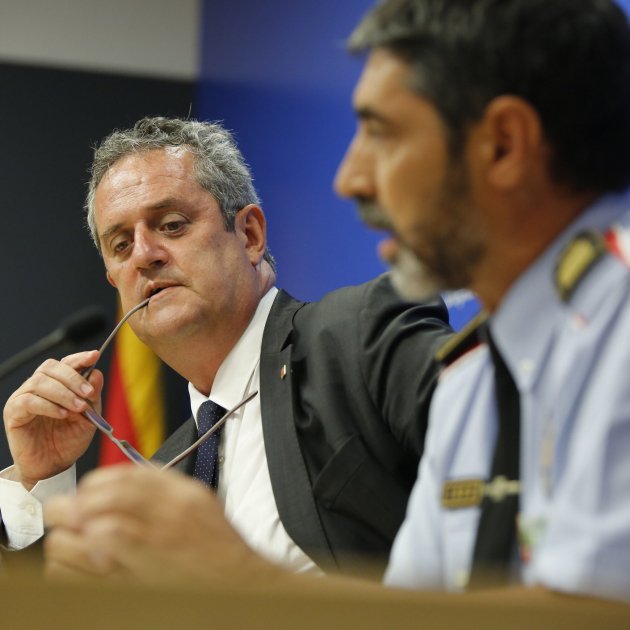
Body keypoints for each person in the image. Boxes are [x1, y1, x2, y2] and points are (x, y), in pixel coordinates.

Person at [42, 0, 630, 604]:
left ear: (503, 144)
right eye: (120, 245)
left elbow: (595, 611)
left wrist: (242, 582)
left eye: (382, 133)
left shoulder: (369, 339)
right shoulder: (475, 380)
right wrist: (38, 486)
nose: (350, 178)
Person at [0, 116, 452, 577]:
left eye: (172, 225)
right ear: (114, 280)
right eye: (120, 245)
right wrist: (40, 478)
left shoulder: (357, 336)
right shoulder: (163, 476)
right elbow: (69, 612)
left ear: (250, 235)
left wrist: (242, 572)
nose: (143, 255)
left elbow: (487, 510)